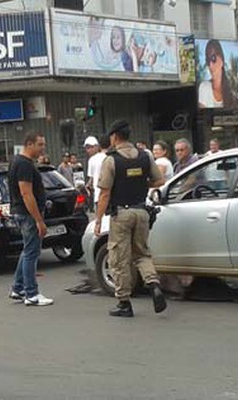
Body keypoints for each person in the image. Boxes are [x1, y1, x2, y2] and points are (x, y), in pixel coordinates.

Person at [95, 119, 167, 318]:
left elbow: (104, 194)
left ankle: (124, 303)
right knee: (142, 254)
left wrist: (99, 219)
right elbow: (160, 180)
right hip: (142, 211)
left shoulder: (111, 160)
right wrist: (142, 184)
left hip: (122, 214)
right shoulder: (145, 156)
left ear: (115, 136)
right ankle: (154, 285)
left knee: (119, 259)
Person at [8, 133, 54, 306]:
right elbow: (26, 193)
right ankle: (31, 294)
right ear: (29, 144)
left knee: (27, 250)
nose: (43, 148)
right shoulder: (25, 165)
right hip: (27, 214)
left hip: (23, 212)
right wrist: (39, 220)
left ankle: (18, 288)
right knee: (32, 252)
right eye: (40, 144)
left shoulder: (17, 161)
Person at [198, 39, 235, 109]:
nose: (210, 66)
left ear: (222, 60)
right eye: (208, 61)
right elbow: (203, 114)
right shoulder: (204, 87)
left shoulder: (231, 95)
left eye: (213, 58)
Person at [88, 135, 109, 210]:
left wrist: (87, 186)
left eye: (90, 147)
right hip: (110, 195)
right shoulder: (110, 157)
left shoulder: (92, 160)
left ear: (98, 146)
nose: (88, 150)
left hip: (99, 196)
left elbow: (91, 179)